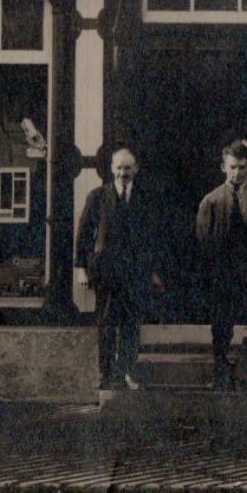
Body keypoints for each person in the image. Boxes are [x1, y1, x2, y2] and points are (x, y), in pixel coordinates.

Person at [75, 147, 164, 390]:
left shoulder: (145, 199)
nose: (123, 173)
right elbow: (84, 234)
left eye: (128, 168)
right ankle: (106, 375)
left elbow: (153, 237)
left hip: (135, 273)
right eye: (119, 168)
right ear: (112, 169)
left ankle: (126, 371)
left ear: (135, 169)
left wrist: (153, 271)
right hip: (106, 272)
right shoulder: (98, 197)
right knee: (106, 324)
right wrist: (81, 268)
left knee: (131, 325)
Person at [194, 141, 247, 390]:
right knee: (222, 323)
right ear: (223, 167)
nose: (237, 173)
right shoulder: (211, 201)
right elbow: (203, 238)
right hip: (224, 272)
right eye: (232, 167)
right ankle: (221, 369)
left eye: (242, 167)